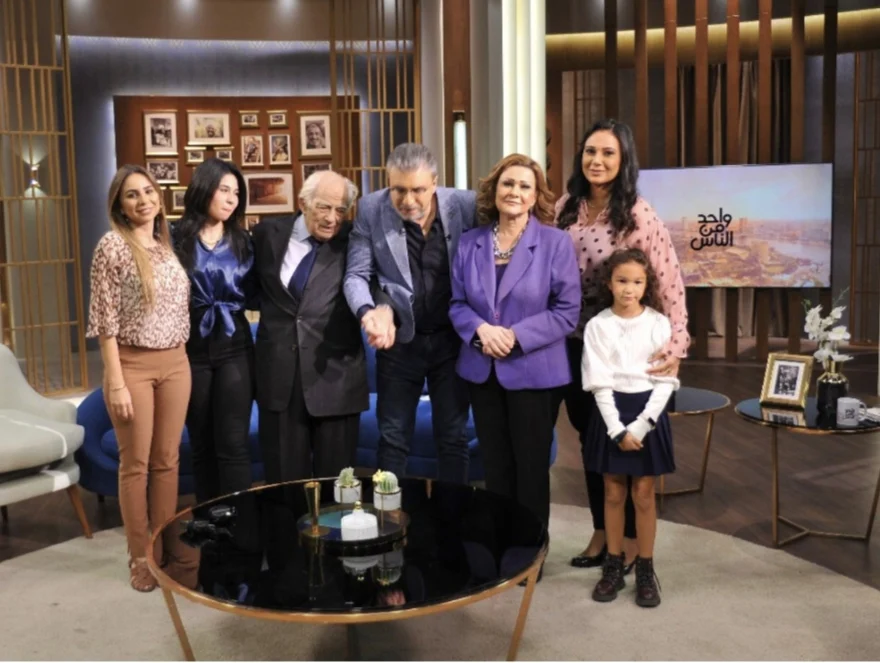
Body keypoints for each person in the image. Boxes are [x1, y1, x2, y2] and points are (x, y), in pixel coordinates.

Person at [553, 118, 689, 572]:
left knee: (626, 443)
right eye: (590, 151)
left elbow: (668, 280)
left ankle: (631, 541)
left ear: (624, 159)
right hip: (571, 340)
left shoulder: (638, 213)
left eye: (608, 153)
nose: (597, 160)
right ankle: (602, 532)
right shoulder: (566, 207)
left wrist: (677, 343)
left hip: (622, 341)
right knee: (592, 439)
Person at [449, 153, 580, 530]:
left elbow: (566, 310)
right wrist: (480, 330)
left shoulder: (555, 243)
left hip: (534, 371)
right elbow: (457, 303)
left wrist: (515, 336)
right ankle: (501, 543)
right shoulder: (470, 243)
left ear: (536, 196)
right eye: (508, 183)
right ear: (494, 190)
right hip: (482, 370)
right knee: (495, 466)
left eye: (525, 186)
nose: (515, 192)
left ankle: (530, 548)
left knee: (531, 468)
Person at [87, 164, 196, 593]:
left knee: (167, 461)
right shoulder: (112, 246)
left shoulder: (165, 245)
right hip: (132, 365)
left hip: (177, 363)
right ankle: (140, 555)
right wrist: (115, 381)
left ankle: (164, 546)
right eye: (132, 194)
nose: (143, 200)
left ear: (159, 197)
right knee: (135, 465)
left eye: (148, 191)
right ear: (119, 205)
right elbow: (105, 323)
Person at [344, 143, 476, 483]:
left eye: (418, 190)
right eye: (398, 189)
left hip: (452, 341)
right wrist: (369, 312)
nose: (408, 200)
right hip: (401, 342)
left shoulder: (466, 205)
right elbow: (357, 274)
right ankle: (391, 513)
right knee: (392, 438)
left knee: (453, 437)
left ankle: (452, 512)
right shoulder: (371, 208)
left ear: (435, 183)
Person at [252, 170, 372, 483]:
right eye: (324, 207)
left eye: (341, 210)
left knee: (338, 489)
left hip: (335, 377)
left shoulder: (354, 241)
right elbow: (251, 291)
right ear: (303, 203)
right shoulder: (266, 235)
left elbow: (374, 284)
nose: (332, 218)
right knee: (283, 486)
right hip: (279, 378)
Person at [581, 248, 678, 607]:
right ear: (609, 283)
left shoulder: (658, 323)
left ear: (646, 284)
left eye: (637, 282)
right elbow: (598, 381)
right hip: (611, 413)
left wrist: (641, 425)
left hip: (647, 413)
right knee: (612, 492)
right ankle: (612, 564)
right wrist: (617, 430)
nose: (629, 289)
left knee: (644, 493)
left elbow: (665, 380)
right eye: (622, 281)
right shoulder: (598, 326)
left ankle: (646, 570)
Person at [172, 158, 256, 505]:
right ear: (204, 188)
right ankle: (209, 523)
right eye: (224, 190)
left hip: (235, 346)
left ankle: (242, 524)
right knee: (201, 444)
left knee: (233, 444)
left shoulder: (243, 240)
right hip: (190, 349)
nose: (232, 199)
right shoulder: (174, 238)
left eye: (236, 193)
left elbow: (257, 291)